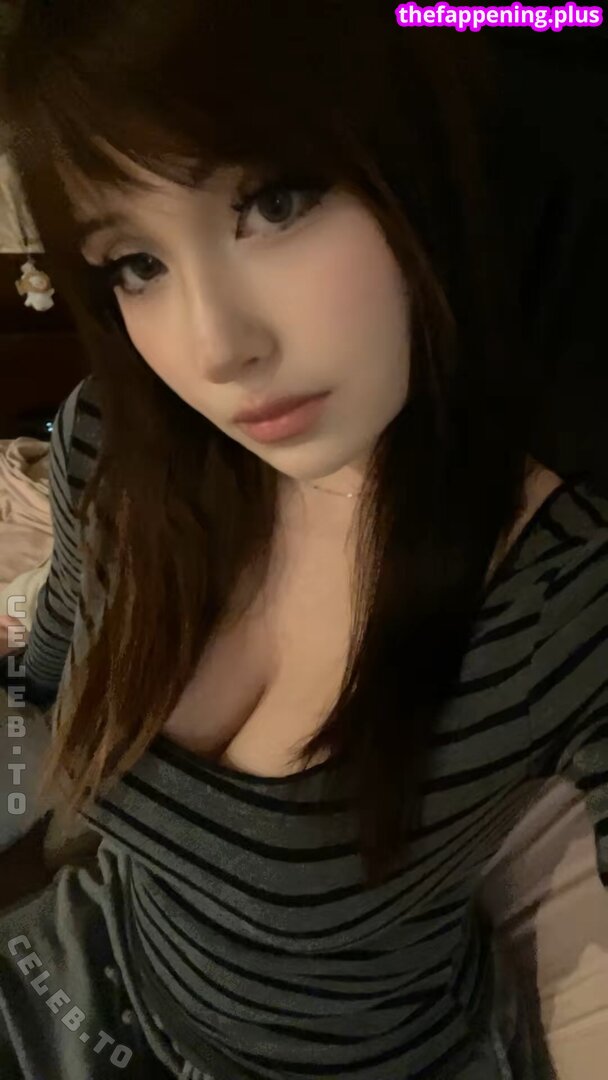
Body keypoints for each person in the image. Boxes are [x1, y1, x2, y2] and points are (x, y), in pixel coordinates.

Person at [0, 4, 607, 1078]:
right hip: (90, 971)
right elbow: (48, 666)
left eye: (274, 203)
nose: (216, 348)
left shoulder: (560, 591)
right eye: (135, 262)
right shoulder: (117, 443)